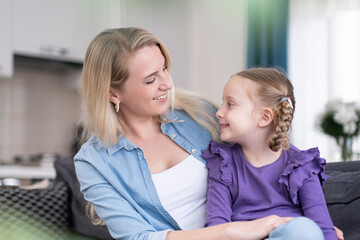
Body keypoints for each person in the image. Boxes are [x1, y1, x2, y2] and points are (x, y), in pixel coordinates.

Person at [74, 27, 344, 240]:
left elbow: (269, 155)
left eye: (165, 68)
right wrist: (234, 232)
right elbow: (137, 237)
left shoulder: (200, 113)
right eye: (150, 79)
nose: (167, 84)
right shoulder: (94, 161)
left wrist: (317, 226)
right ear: (112, 93)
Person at [201, 68, 337, 240]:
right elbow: (217, 227)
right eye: (223, 103)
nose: (219, 112)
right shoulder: (222, 164)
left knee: (306, 230)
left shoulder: (301, 165)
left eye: (230, 104)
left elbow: (324, 229)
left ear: (264, 117)